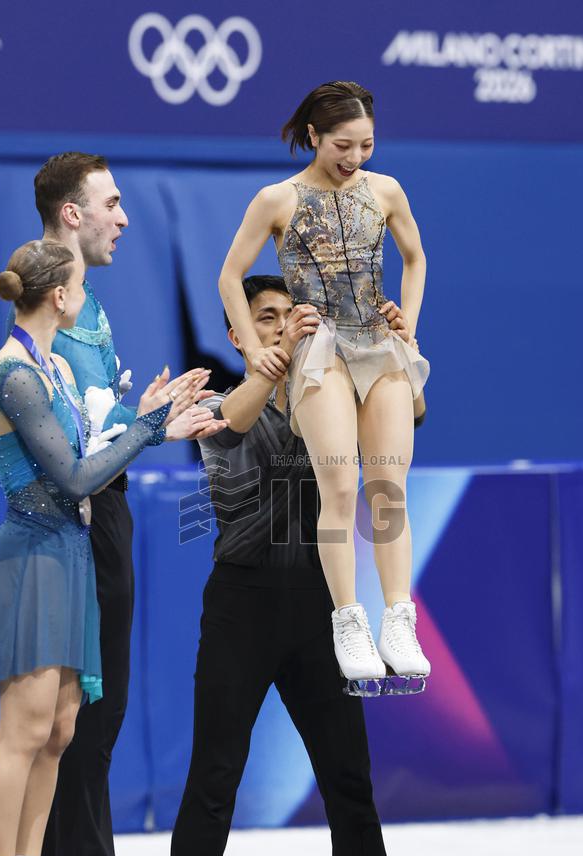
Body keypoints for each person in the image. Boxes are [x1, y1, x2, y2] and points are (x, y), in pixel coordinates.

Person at [0, 240, 215, 856]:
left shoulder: (49, 369)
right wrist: (146, 430)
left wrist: (153, 421)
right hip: (32, 558)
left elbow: (90, 451)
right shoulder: (14, 374)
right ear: (60, 297)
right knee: (24, 728)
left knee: (61, 729)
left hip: (69, 557)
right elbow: (75, 479)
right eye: (79, 287)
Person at [170, 274, 424, 856]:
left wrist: (395, 346)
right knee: (216, 769)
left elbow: (413, 406)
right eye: (265, 318)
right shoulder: (216, 408)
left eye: (291, 314)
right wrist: (276, 366)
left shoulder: (342, 408)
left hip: (322, 608)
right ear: (236, 334)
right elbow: (234, 421)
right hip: (242, 607)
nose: (283, 325)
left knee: (348, 775)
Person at [219, 82, 431, 696]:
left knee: (389, 486)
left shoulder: (385, 191)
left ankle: (398, 618)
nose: (355, 157)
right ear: (313, 137)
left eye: (366, 144)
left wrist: (409, 322)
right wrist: (259, 351)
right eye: (343, 145)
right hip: (319, 350)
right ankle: (349, 620)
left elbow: (415, 258)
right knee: (340, 484)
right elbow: (231, 275)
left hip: (379, 342)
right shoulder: (276, 199)